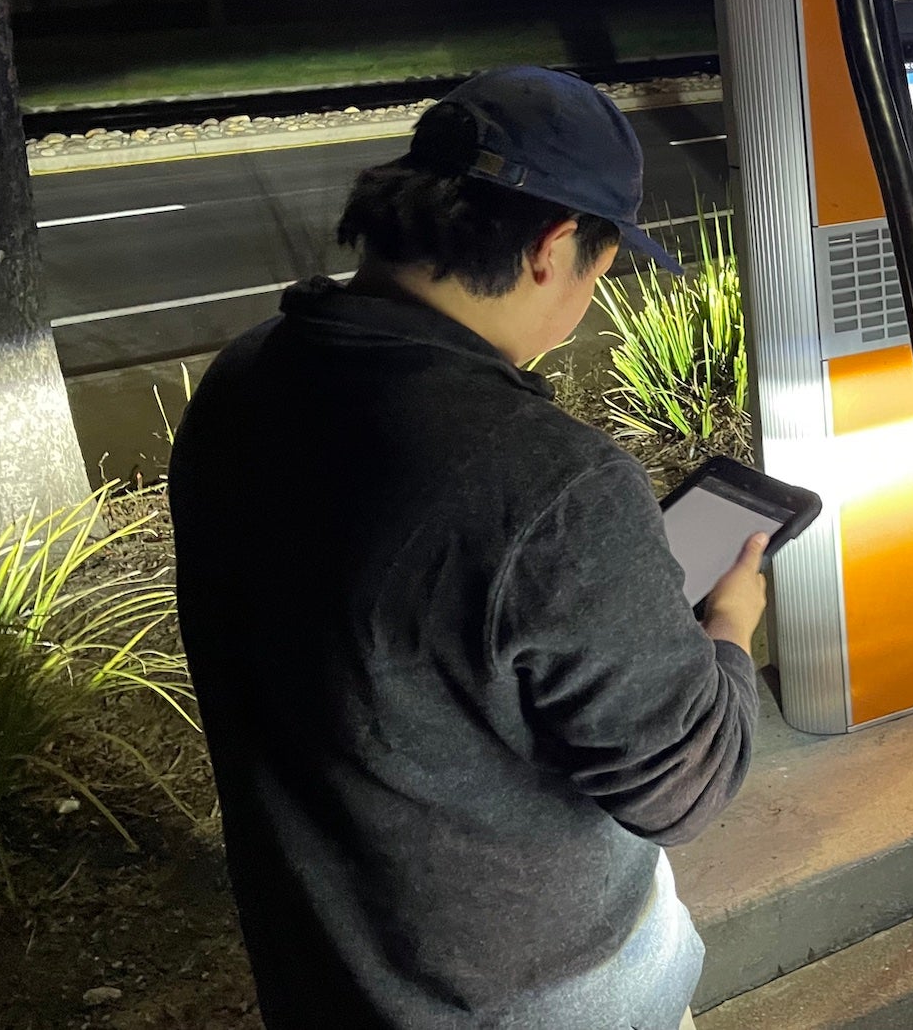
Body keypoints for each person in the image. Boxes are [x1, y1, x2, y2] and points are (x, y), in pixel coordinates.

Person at [170, 67, 764, 1030]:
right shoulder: (548, 480)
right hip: (535, 997)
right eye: (600, 275)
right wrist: (727, 633)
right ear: (554, 245)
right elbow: (681, 788)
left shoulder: (247, 378)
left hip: (325, 973)